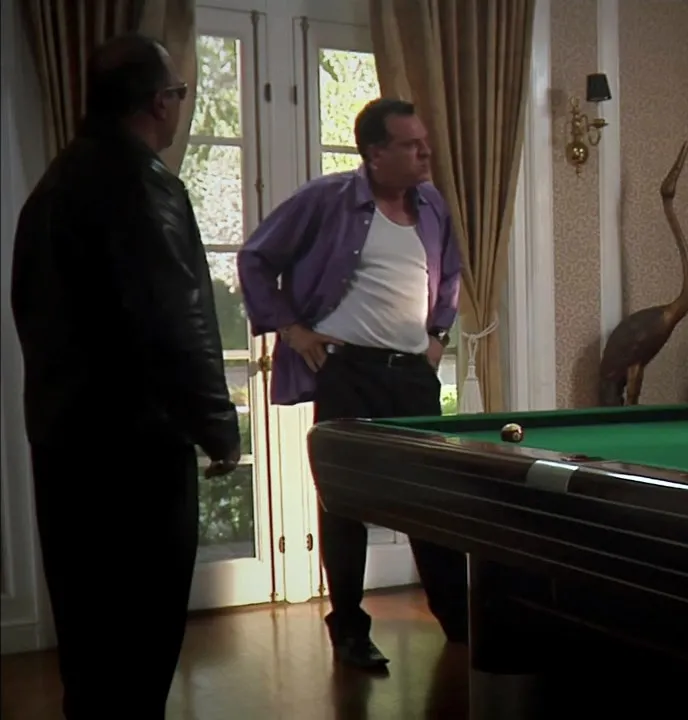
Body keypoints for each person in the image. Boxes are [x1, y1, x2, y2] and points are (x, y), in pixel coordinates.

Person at [10, 34, 241, 718]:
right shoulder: (145, 185)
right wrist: (219, 426)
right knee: (140, 643)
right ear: (157, 102)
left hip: (63, 444)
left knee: (89, 644)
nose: (180, 105)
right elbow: (177, 320)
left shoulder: (50, 188)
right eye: (179, 92)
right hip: (135, 452)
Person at [238, 98, 465, 671]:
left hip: (411, 375)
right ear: (376, 153)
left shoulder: (432, 205)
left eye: (424, 141)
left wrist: (438, 336)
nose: (426, 152)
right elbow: (255, 259)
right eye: (412, 145)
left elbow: (450, 274)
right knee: (344, 504)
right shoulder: (327, 199)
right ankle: (349, 631)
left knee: (432, 499)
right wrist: (292, 330)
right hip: (347, 373)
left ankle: (460, 621)